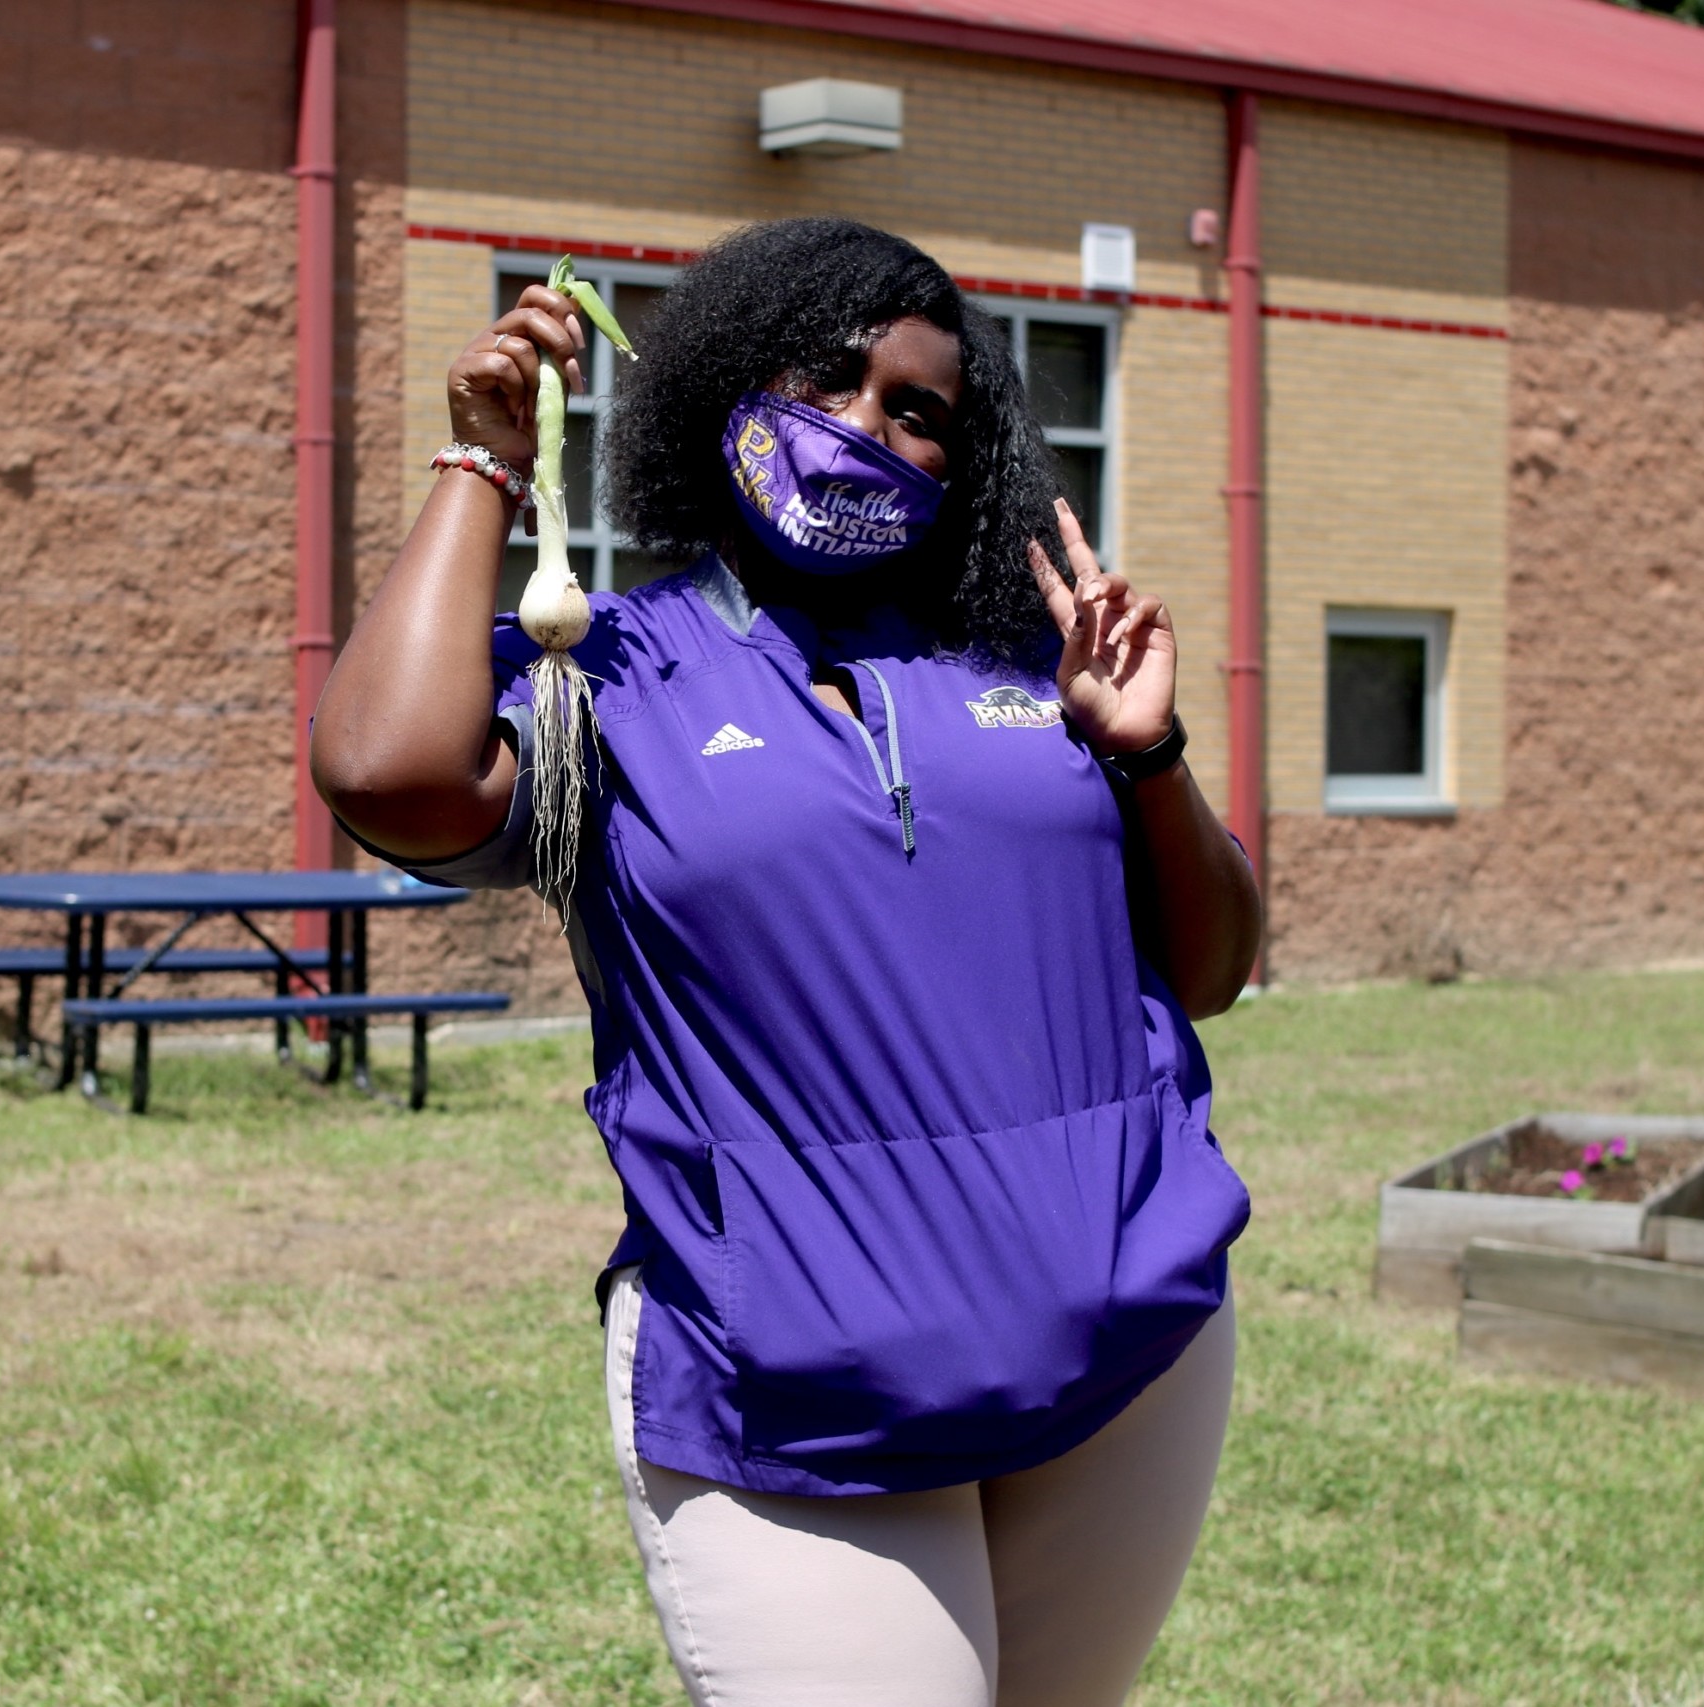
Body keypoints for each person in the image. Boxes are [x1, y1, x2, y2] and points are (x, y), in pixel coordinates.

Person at [311, 217, 1261, 1707]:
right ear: (724, 387)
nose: (864, 427)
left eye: (916, 410)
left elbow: (1209, 970)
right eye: (823, 380)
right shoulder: (617, 671)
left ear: (964, 461)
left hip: (1126, 1357)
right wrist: (486, 464)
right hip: (796, 1391)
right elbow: (387, 772)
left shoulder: (1033, 663)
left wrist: (1146, 753)